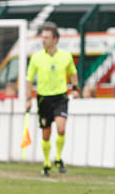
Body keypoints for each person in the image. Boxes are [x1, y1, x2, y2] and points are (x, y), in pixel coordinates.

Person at [25, 22, 79, 176]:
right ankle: (47, 162)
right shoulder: (36, 58)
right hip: (43, 99)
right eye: (43, 37)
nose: (43, 40)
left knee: (61, 128)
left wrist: (75, 88)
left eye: (47, 37)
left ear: (55, 39)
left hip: (60, 97)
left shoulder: (65, 56)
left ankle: (58, 157)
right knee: (46, 134)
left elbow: (73, 73)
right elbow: (29, 80)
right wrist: (28, 98)